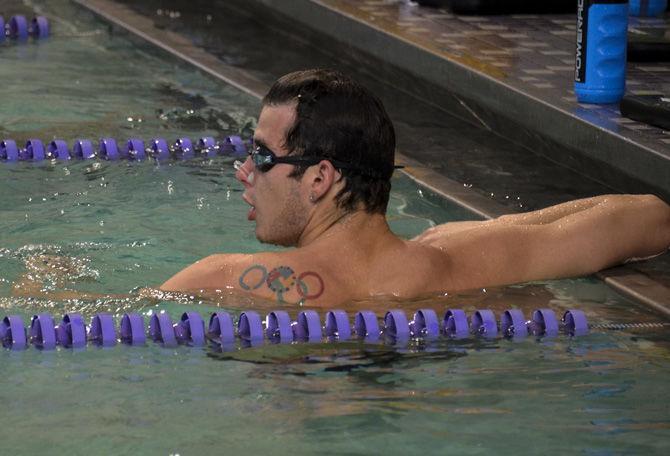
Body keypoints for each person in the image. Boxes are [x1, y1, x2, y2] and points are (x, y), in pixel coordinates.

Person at [160, 69, 670, 307]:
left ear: (319, 178)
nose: (246, 172)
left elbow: (100, 317)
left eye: (264, 156)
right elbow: (649, 214)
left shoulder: (224, 277)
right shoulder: (454, 257)